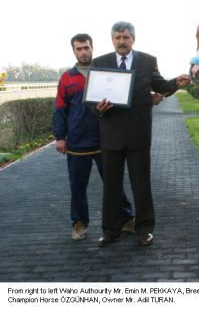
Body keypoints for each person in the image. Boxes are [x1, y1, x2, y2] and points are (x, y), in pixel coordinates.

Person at [94, 21, 190, 247]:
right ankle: (110, 231)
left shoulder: (147, 61)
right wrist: (96, 109)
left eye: (126, 37)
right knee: (111, 187)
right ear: (112, 39)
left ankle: (145, 229)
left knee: (141, 185)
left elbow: (161, 85)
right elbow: (91, 98)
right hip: (111, 135)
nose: (122, 41)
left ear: (133, 39)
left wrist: (176, 82)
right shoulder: (100, 63)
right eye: (117, 37)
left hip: (138, 134)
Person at [52, 33, 134, 241]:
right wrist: (60, 136)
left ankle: (125, 218)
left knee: (113, 183)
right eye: (79, 49)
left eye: (86, 47)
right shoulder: (67, 77)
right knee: (77, 187)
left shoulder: (104, 72)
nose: (83, 52)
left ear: (92, 48)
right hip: (77, 141)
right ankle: (79, 223)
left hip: (105, 139)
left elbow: (123, 96)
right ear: (74, 51)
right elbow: (60, 108)